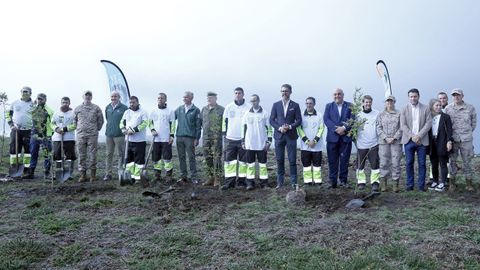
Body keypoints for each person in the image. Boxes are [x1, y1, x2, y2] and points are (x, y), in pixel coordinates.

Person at [270, 84, 302, 189]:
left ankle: (294, 182)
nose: (284, 93)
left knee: (292, 160)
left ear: (290, 92)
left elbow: (299, 120)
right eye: (282, 91)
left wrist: (289, 126)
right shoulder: (276, 105)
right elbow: (271, 120)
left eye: (286, 91)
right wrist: (280, 128)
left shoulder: (295, 105)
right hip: (279, 136)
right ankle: (280, 182)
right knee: (279, 159)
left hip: (291, 136)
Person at [445, 88, 477, 191]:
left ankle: (469, 183)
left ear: (462, 96)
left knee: (467, 161)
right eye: (454, 95)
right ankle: (452, 183)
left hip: (466, 139)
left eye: (458, 95)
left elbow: (473, 123)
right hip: (453, 139)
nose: (456, 97)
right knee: (452, 161)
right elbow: (445, 124)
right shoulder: (448, 108)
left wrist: (466, 132)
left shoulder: (470, 108)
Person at [400, 88, 432, 191]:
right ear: (408, 97)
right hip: (409, 141)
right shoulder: (404, 109)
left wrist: (419, 136)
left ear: (418, 96)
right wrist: (412, 136)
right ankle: (410, 185)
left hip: (421, 141)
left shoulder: (426, 108)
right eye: (411, 96)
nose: (413, 98)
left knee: (422, 163)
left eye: (415, 96)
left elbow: (428, 124)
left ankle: (421, 186)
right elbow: (403, 125)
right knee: (409, 163)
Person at [323, 88, 354, 189]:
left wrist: (344, 128)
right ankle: (332, 181)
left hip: (345, 138)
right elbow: (326, 119)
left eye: (339, 94)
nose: (337, 96)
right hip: (332, 138)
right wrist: (336, 129)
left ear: (343, 95)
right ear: (333, 96)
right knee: (332, 160)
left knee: (344, 160)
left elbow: (352, 119)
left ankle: (343, 181)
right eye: (335, 94)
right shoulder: (328, 106)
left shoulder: (350, 106)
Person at [221, 87, 249, 190]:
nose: (238, 95)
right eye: (236, 93)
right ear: (234, 95)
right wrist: (224, 133)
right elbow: (224, 121)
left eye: (240, 93)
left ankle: (241, 182)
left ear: (243, 94)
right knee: (229, 162)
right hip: (230, 138)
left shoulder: (248, 107)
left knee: (243, 162)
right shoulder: (229, 107)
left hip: (243, 139)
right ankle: (229, 182)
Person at [242, 94, 272, 190]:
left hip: (261, 144)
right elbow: (244, 128)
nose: (253, 103)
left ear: (258, 101)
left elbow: (269, 129)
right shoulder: (247, 114)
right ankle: (250, 183)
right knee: (250, 164)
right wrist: (243, 141)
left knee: (262, 165)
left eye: (254, 101)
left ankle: (264, 183)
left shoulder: (265, 114)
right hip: (250, 144)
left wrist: (269, 141)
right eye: (251, 101)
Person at [74, 90, 104, 182]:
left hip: (92, 135)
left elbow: (101, 121)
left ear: (91, 97)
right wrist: (79, 129)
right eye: (86, 95)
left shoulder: (96, 108)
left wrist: (95, 129)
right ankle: (83, 175)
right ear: (83, 96)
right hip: (81, 135)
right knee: (81, 155)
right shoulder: (78, 108)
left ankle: (92, 175)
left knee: (92, 155)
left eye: (89, 95)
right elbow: (74, 121)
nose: (87, 97)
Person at [376, 95, 402, 192]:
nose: (389, 103)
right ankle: (384, 183)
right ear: (385, 103)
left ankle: (395, 183)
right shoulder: (381, 114)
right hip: (384, 142)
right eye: (387, 102)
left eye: (391, 102)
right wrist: (386, 138)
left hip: (396, 142)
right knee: (384, 163)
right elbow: (378, 127)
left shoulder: (399, 114)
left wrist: (394, 137)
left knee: (396, 162)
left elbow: (401, 127)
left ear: (394, 102)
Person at [120, 96, 149, 183]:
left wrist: (134, 130)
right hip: (128, 140)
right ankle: (130, 177)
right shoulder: (127, 112)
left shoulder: (143, 112)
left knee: (139, 161)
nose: (132, 104)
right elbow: (122, 122)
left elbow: (145, 123)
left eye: (133, 102)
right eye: (130, 103)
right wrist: (123, 129)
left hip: (139, 141)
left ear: (137, 102)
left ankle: (138, 178)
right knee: (129, 161)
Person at [175, 91, 202, 183]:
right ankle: (183, 176)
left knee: (191, 157)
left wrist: (197, 138)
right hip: (179, 137)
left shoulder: (196, 110)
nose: (184, 99)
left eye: (186, 97)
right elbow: (170, 118)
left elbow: (198, 126)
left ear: (191, 98)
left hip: (190, 138)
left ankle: (194, 176)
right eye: (183, 97)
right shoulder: (179, 109)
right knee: (181, 157)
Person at [297, 97, 325, 186]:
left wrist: (315, 140)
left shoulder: (319, 115)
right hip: (305, 146)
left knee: (317, 166)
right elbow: (299, 129)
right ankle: (307, 182)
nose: (309, 105)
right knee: (306, 166)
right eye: (307, 103)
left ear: (314, 104)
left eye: (311, 103)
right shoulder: (301, 115)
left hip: (317, 146)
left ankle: (317, 182)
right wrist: (307, 141)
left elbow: (321, 129)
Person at [7, 86, 34, 178]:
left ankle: (26, 170)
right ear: (20, 92)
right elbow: (8, 114)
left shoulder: (34, 104)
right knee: (14, 150)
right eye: (23, 91)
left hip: (28, 130)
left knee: (28, 151)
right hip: (16, 130)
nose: (24, 93)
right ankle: (14, 169)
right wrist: (11, 125)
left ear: (30, 93)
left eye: (27, 92)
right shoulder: (14, 103)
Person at [355, 95, 380, 191]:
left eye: (369, 102)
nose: (368, 104)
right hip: (361, 144)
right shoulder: (357, 115)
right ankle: (361, 182)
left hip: (374, 144)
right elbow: (353, 127)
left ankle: (375, 182)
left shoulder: (377, 113)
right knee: (360, 165)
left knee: (375, 165)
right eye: (366, 102)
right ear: (363, 103)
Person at [427, 99, 453, 192]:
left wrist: (449, 141)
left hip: (442, 141)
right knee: (433, 163)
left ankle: (443, 183)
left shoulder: (446, 117)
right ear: (432, 106)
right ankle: (435, 181)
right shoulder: (429, 117)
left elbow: (450, 130)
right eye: (436, 105)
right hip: (432, 143)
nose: (438, 107)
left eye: (439, 105)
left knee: (442, 163)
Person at [27, 93, 54, 179]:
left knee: (47, 154)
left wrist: (51, 134)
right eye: (38, 99)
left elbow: (53, 123)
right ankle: (31, 173)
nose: (40, 100)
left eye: (41, 99)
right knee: (33, 152)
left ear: (45, 100)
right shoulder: (33, 109)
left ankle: (47, 173)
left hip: (45, 135)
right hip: (34, 135)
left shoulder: (49, 110)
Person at [149, 93, 175, 182]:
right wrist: (152, 130)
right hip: (156, 139)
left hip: (166, 138)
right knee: (156, 158)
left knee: (167, 158)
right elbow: (150, 122)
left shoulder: (170, 111)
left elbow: (173, 125)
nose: (160, 99)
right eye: (159, 98)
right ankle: (157, 175)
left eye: (162, 98)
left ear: (165, 100)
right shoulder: (153, 111)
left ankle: (168, 175)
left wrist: (172, 136)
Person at [103, 91, 128, 181]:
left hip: (119, 135)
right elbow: (107, 118)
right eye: (112, 96)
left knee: (120, 154)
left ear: (119, 97)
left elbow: (126, 121)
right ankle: (108, 174)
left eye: (115, 96)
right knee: (109, 154)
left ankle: (120, 173)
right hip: (109, 134)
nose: (113, 98)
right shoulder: (108, 107)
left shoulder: (124, 108)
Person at [201, 92, 224, 187]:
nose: (209, 100)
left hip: (216, 138)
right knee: (208, 158)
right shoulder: (204, 109)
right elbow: (200, 122)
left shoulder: (221, 110)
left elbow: (225, 124)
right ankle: (210, 177)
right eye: (208, 98)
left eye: (211, 98)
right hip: (206, 137)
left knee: (217, 158)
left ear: (215, 99)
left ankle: (217, 178)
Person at [51, 97, 76, 179]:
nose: (65, 104)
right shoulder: (56, 113)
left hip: (69, 138)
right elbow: (52, 123)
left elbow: (75, 125)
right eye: (63, 102)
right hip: (57, 138)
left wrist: (65, 129)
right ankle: (58, 173)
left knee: (69, 156)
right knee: (57, 156)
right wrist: (57, 129)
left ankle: (69, 174)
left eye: (66, 102)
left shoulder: (73, 113)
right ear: (61, 103)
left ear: (69, 103)